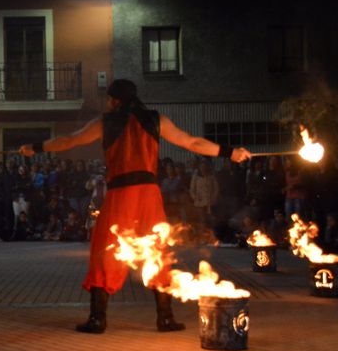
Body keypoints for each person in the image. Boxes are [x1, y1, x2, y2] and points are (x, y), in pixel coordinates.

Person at [19, 79, 251, 334]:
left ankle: (98, 319)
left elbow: (69, 141)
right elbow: (192, 143)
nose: (107, 103)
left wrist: (35, 148)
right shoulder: (156, 119)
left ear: (116, 100)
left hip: (120, 194)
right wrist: (230, 152)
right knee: (158, 249)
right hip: (149, 194)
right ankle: (164, 318)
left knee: (105, 249)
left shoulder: (104, 122)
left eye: (109, 99)